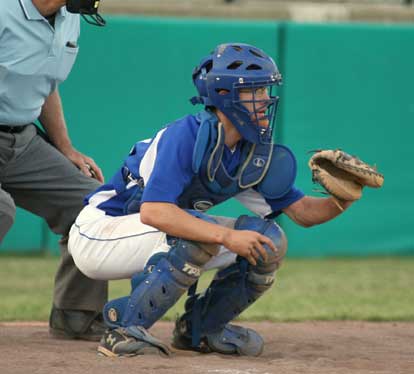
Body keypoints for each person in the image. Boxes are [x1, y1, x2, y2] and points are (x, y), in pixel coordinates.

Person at [68, 42, 354, 357]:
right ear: (225, 96)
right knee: (197, 235)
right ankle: (122, 330)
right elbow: (154, 212)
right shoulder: (186, 135)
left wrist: (343, 197)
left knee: (269, 240)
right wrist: (227, 236)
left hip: (148, 236)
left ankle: (200, 329)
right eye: (255, 92)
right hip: (99, 233)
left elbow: (303, 213)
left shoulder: (248, 152)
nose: (265, 100)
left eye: (265, 92)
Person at [0, 0, 108, 340]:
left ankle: (76, 312)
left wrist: (66, 148)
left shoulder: (68, 19)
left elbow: (47, 84)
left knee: (93, 204)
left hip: (22, 140)